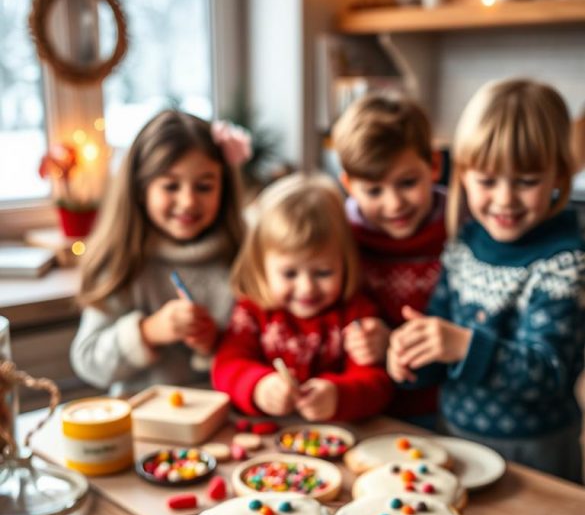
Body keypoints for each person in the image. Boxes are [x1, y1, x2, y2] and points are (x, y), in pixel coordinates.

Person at [388, 78, 585, 482]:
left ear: (559, 176)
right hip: (455, 439)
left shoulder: (565, 260)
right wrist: (411, 356)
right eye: (488, 180)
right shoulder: (465, 242)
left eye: (526, 181)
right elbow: (437, 328)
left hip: (536, 454)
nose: (505, 199)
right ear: (463, 174)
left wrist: (462, 344)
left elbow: (549, 372)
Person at [70, 109, 250, 393]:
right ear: (141, 189)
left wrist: (215, 343)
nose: (188, 201)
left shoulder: (243, 257)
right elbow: (88, 361)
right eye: (170, 186)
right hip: (142, 429)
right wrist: (148, 331)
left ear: (223, 189)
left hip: (223, 423)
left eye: (204, 186)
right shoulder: (121, 260)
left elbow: (262, 351)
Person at [212, 172, 392, 422]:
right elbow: (227, 366)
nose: (307, 288)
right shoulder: (252, 311)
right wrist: (260, 387)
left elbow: (377, 384)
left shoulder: (356, 314)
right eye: (289, 273)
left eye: (323, 272)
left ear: (346, 262)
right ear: (261, 266)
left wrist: (338, 395)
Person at [332, 92, 446, 424]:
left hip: (441, 407)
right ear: (349, 185)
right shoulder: (340, 236)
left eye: (407, 183)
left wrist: (394, 340)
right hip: (364, 406)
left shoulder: (462, 227)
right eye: (374, 190)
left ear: (434, 165)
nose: (394, 204)